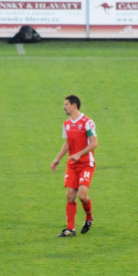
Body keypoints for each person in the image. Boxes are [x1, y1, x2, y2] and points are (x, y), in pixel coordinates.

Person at [50, 95, 97, 237]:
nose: (64, 107)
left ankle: (89, 217)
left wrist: (79, 154)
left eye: (66, 104)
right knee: (70, 195)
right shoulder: (66, 124)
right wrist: (57, 159)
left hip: (86, 164)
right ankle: (70, 229)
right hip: (72, 165)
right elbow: (67, 143)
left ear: (74, 105)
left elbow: (94, 143)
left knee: (82, 195)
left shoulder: (87, 122)